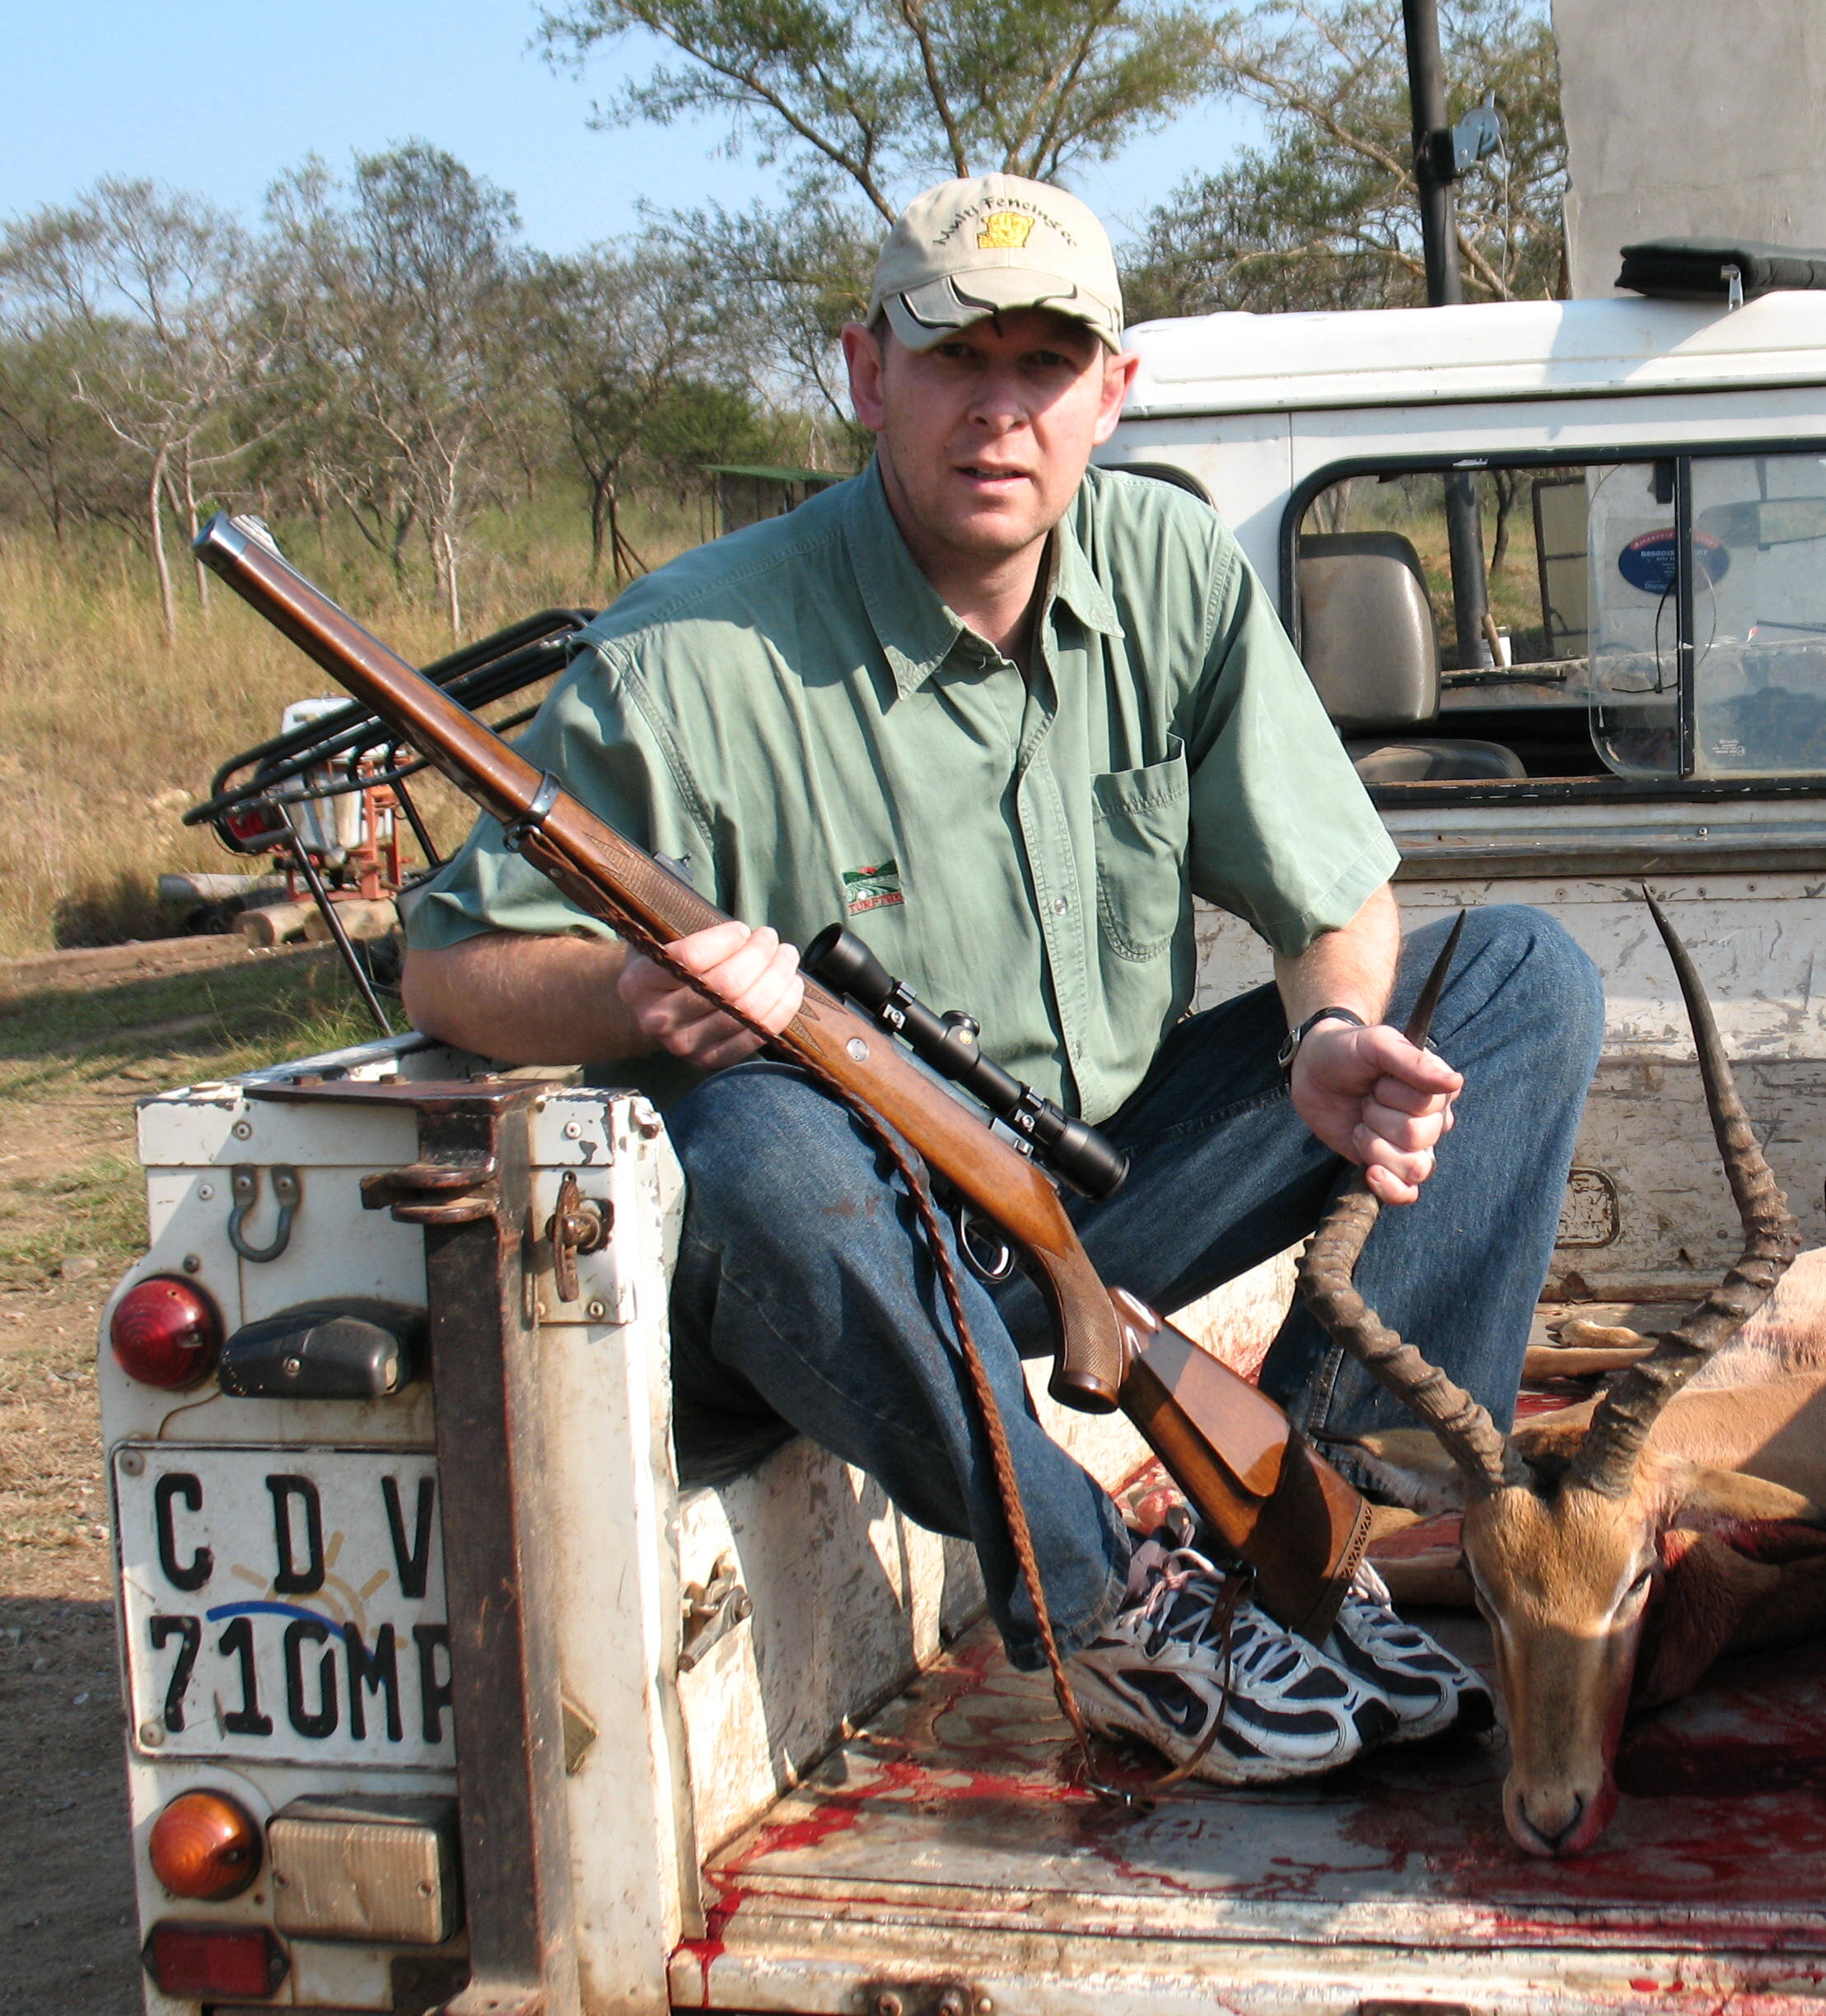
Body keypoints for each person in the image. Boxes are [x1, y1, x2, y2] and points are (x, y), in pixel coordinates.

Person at [400, 173, 1604, 1783]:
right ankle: (1114, 1599)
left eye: (1046, 366)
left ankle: (1317, 1520)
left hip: (1081, 1190)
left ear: (1114, 390)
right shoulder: (687, 654)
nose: (999, 411)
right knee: (756, 1140)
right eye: (957, 358)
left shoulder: (1169, 568)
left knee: (1520, 975)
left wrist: (1330, 1027)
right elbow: (448, 964)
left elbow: (1337, 887)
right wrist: (628, 1000)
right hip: (830, 1245)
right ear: (865, 374)